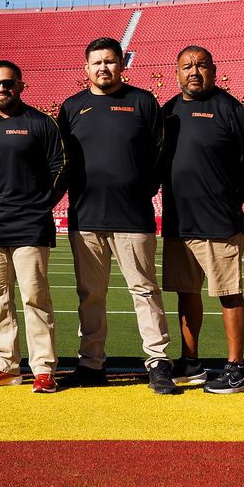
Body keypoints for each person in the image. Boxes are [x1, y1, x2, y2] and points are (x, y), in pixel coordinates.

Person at [56, 36, 178, 395]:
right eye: (96, 62)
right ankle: (91, 363)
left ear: (122, 65)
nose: (103, 68)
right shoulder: (72, 106)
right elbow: (61, 160)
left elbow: (161, 152)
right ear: (86, 69)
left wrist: (142, 187)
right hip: (86, 216)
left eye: (110, 61)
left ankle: (157, 362)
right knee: (90, 294)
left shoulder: (142, 101)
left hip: (133, 216)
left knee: (144, 290)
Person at [160, 45, 244, 394]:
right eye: (187, 66)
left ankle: (237, 368)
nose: (194, 71)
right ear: (177, 73)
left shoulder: (230, 108)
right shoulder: (168, 111)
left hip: (219, 221)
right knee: (186, 293)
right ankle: (191, 362)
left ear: (213, 70)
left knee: (229, 293)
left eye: (201, 65)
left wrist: (231, 199)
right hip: (178, 221)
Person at [0, 61, 67, 393]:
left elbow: (61, 167)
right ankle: (6, 364)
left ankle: (43, 368)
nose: (1, 90)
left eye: (7, 83)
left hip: (30, 226)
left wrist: (39, 206)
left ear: (21, 85)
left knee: (35, 298)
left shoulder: (41, 123)